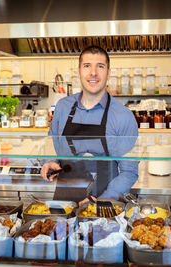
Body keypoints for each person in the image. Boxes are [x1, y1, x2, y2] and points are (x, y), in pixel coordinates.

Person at [40, 45, 139, 206]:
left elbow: (129, 172)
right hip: (64, 198)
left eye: (100, 66)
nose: (93, 72)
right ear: (79, 71)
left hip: (104, 202)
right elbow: (52, 142)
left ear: (108, 72)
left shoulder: (123, 116)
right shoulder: (63, 107)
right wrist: (51, 161)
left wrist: (103, 198)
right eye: (87, 66)